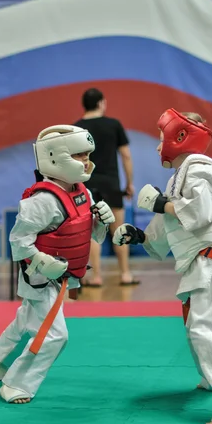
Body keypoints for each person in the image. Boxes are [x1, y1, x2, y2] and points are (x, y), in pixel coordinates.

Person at [113, 108, 212, 424]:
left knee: (209, 330)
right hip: (211, 262)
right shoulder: (181, 176)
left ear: (179, 137)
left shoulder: (201, 167)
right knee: (211, 329)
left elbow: (200, 211)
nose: (158, 148)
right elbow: (172, 219)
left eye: (161, 139)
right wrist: (141, 236)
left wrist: (159, 203)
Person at [0, 125, 115, 403]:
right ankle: (16, 385)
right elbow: (18, 241)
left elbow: (91, 235)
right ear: (56, 157)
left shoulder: (83, 192)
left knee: (28, 319)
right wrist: (43, 262)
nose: (86, 161)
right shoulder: (42, 201)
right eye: (79, 155)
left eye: (87, 155)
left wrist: (101, 222)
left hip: (63, 273)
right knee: (54, 335)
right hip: (39, 275)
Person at [74, 88, 138, 287]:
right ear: (101, 103)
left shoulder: (77, 129)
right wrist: (129, 184)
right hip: (111, 184)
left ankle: (95, 277)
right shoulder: (114, 125)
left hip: (86, 185)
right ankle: (125, 274)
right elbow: (126, 155)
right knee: (117, 229)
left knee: (91, 231)